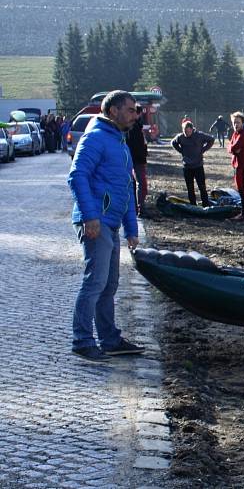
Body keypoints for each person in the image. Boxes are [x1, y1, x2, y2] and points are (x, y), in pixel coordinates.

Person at [67, 90, 145, 362]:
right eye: (131, 109)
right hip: (95, 223)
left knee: (109, 285)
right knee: (95, 283)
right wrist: (90, 217)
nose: (136, 115)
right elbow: (77, 176)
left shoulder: (119, 140)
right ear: (113, 111)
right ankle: (82, 340)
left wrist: (131, 229)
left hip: (109, 224)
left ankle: (110, 340)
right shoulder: (96, 137)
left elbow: (124, 187)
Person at [171, 121, 215, 207]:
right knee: (190, 188)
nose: (186, 133)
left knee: (202, 187)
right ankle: (193, 205)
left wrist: (204, 149)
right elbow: (173, 143)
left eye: (188, 131)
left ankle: (205, 205)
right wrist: (181, 151)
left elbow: (211, 139)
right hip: (187, 167)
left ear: (192, 129)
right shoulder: (181, 137)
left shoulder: (199, 135)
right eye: (184, 131)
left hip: (198, 165)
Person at [228, 111, 244, 221]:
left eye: (237, 122)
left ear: (242, 122)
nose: (235, 125)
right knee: (240, 189)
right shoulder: (235, 133)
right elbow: (230, 147)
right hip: (237, 165)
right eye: (234, 123)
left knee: (242, 190)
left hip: (241, 166)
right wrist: (233, 149)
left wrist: (233, 149)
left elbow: (233, 147)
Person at [126, 105, 148, 216]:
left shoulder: (134, 126)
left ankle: (135, 207)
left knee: (134, 183)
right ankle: (140, 207)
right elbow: (137, 144)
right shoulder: (133, 126)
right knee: (141, 183)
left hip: (133, 158)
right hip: (136, 158)